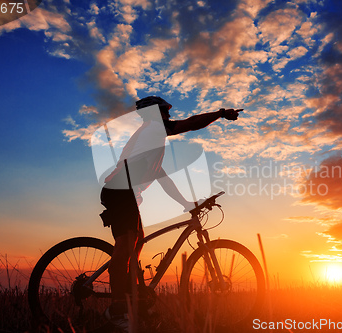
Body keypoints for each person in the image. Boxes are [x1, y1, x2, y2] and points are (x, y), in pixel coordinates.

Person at [100, 96, 241, 332]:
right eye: (165, 112)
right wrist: (221, 113)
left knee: (137, 244)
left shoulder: (150, 146)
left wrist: (186, 203)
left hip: (124, 194)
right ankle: (116, 311)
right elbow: (191, 123)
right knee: (126, 248)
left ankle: (133, 299)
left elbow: (163, 179)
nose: (167, 116)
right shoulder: (154, 128)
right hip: (119, 191)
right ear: (156, 113)